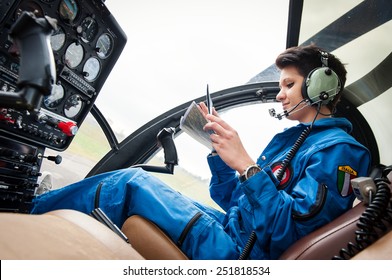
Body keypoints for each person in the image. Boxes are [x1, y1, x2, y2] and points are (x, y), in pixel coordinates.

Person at [30, 44, 371, 259]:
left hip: (241, 256)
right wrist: (221, 156)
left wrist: (248, 166)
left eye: (289, 84)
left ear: (320, 87)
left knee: (129, 183)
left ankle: (23, 215)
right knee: (134, 184)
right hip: (232, 232)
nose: (281, 95)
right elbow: (234, 202)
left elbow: (287, 233)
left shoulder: (340, 153)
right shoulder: (296, 140)